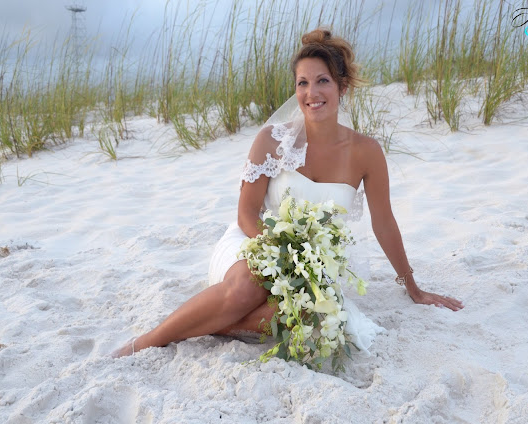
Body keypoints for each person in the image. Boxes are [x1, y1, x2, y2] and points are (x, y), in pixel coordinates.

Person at [112, 28, 463, 358]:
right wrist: (281, 254)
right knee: (252, 286)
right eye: (303, 83)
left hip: (313, 264)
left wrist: (411, 286)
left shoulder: (366, 152)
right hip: (252, 246)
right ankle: (145, 342)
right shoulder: (272, 140)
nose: (312, 93)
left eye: (322, 81)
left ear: (342, 87)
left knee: (311, 317)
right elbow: (246, 214)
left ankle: (213, 320)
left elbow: (384, 223)